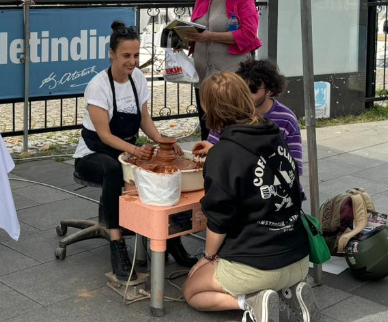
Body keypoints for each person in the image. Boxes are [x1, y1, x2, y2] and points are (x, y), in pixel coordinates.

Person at [183, 72, 311, 322]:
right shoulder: (274, 133)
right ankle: (286, 294)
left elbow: (219, 220)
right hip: (299, 258)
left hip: (258, 267)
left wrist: (207, 258)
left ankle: (251, 302)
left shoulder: (223, 154)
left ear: (210, 108)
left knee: (191, 291)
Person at [73, 21, 195, 281]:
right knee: (113, 170)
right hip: (93, 154)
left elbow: (144, 119)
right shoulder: (98, 86)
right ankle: (116, 243)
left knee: (164, 168)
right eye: (126, 56)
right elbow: (104, 135)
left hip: (125, 150)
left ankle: (170, 237)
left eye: (136, 55)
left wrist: (162, 140)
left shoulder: (137, 78)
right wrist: (135, 151)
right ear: (112, 54)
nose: (132, 61)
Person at [181, 0, 262, 140]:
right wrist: (182, 39)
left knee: (231, 127)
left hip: (229, 77)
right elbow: (198, 30)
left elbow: (248, 34)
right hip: (203, 76)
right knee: (207, 128)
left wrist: (210, 36)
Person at [192, 60, 303, 177]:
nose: (247, 95)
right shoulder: (230, 112)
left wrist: (216, 152)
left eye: (253, 89)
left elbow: (294, 168)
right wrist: (211, 149)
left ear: (269, 90)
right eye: (243, 89)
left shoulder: (286, 119)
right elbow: (214, 146)